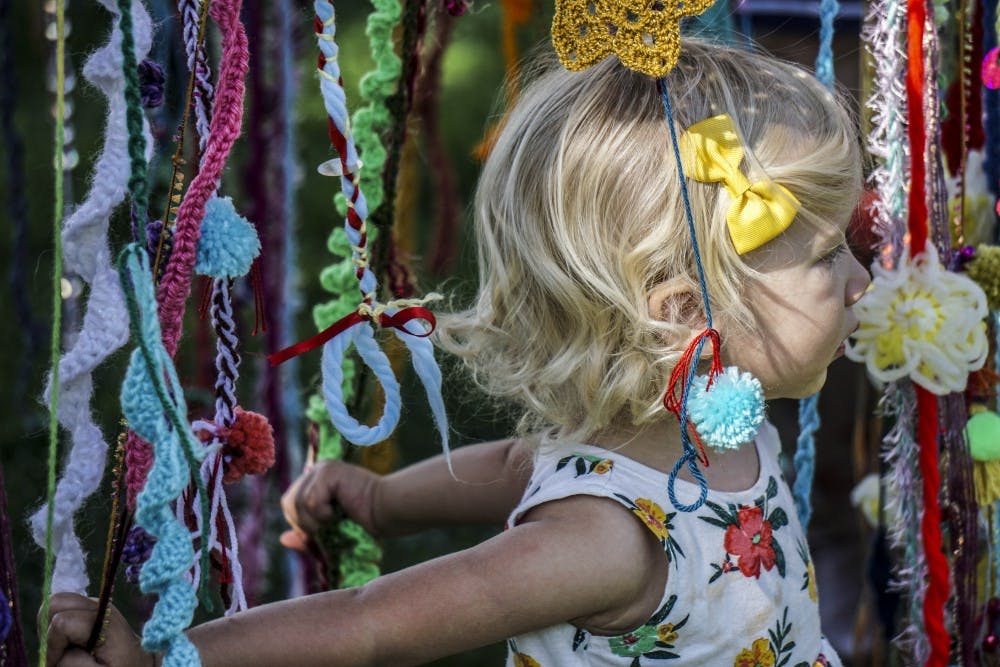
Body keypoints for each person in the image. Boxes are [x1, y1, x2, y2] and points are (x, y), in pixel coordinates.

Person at [43, 37, 869, 666]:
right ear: (686, 313)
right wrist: (169, 655)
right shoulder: (604, 545)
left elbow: (529, 460)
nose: (862, 278)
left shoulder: (704, 430)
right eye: (829, 254)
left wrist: (381, 499)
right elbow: (369, 624)